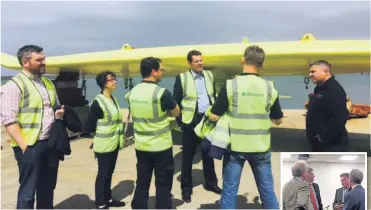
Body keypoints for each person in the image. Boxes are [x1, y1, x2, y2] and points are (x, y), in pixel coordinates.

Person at [207, 45, 283, 209]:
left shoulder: (230, 85)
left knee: (229, 191)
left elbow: (214, 116)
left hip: (236, 148)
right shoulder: (270, 87)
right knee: (267, 191)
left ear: (243, 60)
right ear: (262, 64)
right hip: (261, 148)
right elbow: (278, 120)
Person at [0, 45, 65, 209]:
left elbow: (53, 106)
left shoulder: (48, 83)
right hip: (29, 146)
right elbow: (9, 120)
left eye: (44, 59)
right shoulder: (14, 86)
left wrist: (59, 113)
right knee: (28, 193)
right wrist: (25, 149)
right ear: (25, 62)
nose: (44, 62)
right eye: (39, 60)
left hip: (50, 143)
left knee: (47, 189)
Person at [126, 57, 180, 209]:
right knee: (163, 185)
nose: (163, 73)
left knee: (142, 182)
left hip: (141, 147)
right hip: (161, 147)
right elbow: (176, 112)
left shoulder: (132, 93)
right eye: (162, 70)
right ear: (154, 72)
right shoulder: (161, 93)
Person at [173, 50, 222, 203]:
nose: (200, 63)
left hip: (207, 120)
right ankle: (186, 189)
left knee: (208, 154)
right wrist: (181, 121)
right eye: (196, 61)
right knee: (188, 156)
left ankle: (211, 184)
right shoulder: (182, 78)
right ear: (189, 63)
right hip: (190, 122)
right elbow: (176, 101)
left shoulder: (209, 75)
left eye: (201, 60)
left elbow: (212, 96)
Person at [85, 71, 126, 209]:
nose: (114, 82)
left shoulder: (113, 99)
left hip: (114, 142)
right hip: (104, 144)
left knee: (109, 172)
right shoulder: (98, 102)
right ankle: (100, 202)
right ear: (103, 83)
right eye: (110, 80)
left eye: (114, 79)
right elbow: (89, 125)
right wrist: (94, 138)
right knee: (103, 173)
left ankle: (108, 198)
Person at [306, 60, 349, 152]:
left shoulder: (334, 89)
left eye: (313, 72)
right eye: (309, 72)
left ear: (325, 71)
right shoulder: (320, 89)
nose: (309, 75)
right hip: (319, 144)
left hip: (331, 145)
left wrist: (323, 137)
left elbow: (340, 117)